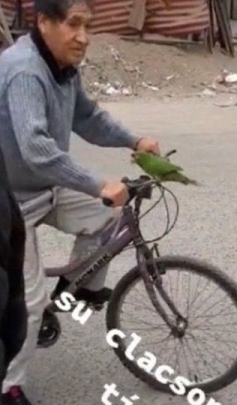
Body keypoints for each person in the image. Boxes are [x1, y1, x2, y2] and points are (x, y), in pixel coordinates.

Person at [0, 0, 161, 403]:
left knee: (110, 217)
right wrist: (96, 183)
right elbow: (36, 148)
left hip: (43, 185)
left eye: (87, 26)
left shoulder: (62, 68)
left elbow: (86, 117)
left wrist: (134, 140)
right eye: (73, 25)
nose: (83, 37)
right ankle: (8, 387)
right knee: (30, 302)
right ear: (44, 22)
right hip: (9, 199)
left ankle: (75, 294)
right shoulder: (24, 70)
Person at [0, 132, 28, 402]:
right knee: (36, 299)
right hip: (29, 195)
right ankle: (11, 386)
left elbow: (88, 116)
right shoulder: (25, 86)